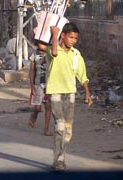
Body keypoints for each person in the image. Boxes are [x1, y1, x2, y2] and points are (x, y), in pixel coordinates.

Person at [46, 23, 92, 172]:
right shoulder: (53, 48)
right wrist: (54, 35)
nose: (73, 40)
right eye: (71, 37)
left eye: (75, 38)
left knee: (67, 129)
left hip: (70, 94)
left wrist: (87, 93)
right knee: (59, 126)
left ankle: (61, 157)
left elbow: (82, 75)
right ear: (63, 36)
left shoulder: (76, 55)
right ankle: (58, 160)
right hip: (55, 93)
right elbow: (53, 53)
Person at [28, 43, 52, 136]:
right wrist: (31, 85)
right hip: (38, 84)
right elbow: (32, 70)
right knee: (38, 107)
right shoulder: (34, 55)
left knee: (48, 106)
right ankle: (34, 116)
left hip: (49, 84)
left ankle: (46, 129)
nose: (43, 45)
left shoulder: (50, 54)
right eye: (41, 43)